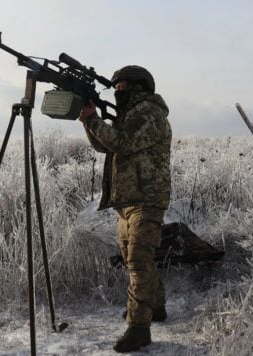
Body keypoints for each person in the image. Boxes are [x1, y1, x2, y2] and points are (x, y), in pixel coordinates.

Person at [78, 65, 172, 353]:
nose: (117, 91)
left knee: (138, 260)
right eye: (115, 87)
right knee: (134, 255)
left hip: (146, 198)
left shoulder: (149, 114)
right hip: (128, 199)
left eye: (121, 87)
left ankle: (138, 327)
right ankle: (154, 307)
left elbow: (123, 142)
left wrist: (95, 119)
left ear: (138, 88)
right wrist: (88, 120)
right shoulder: (129, 115)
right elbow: (106, 146)